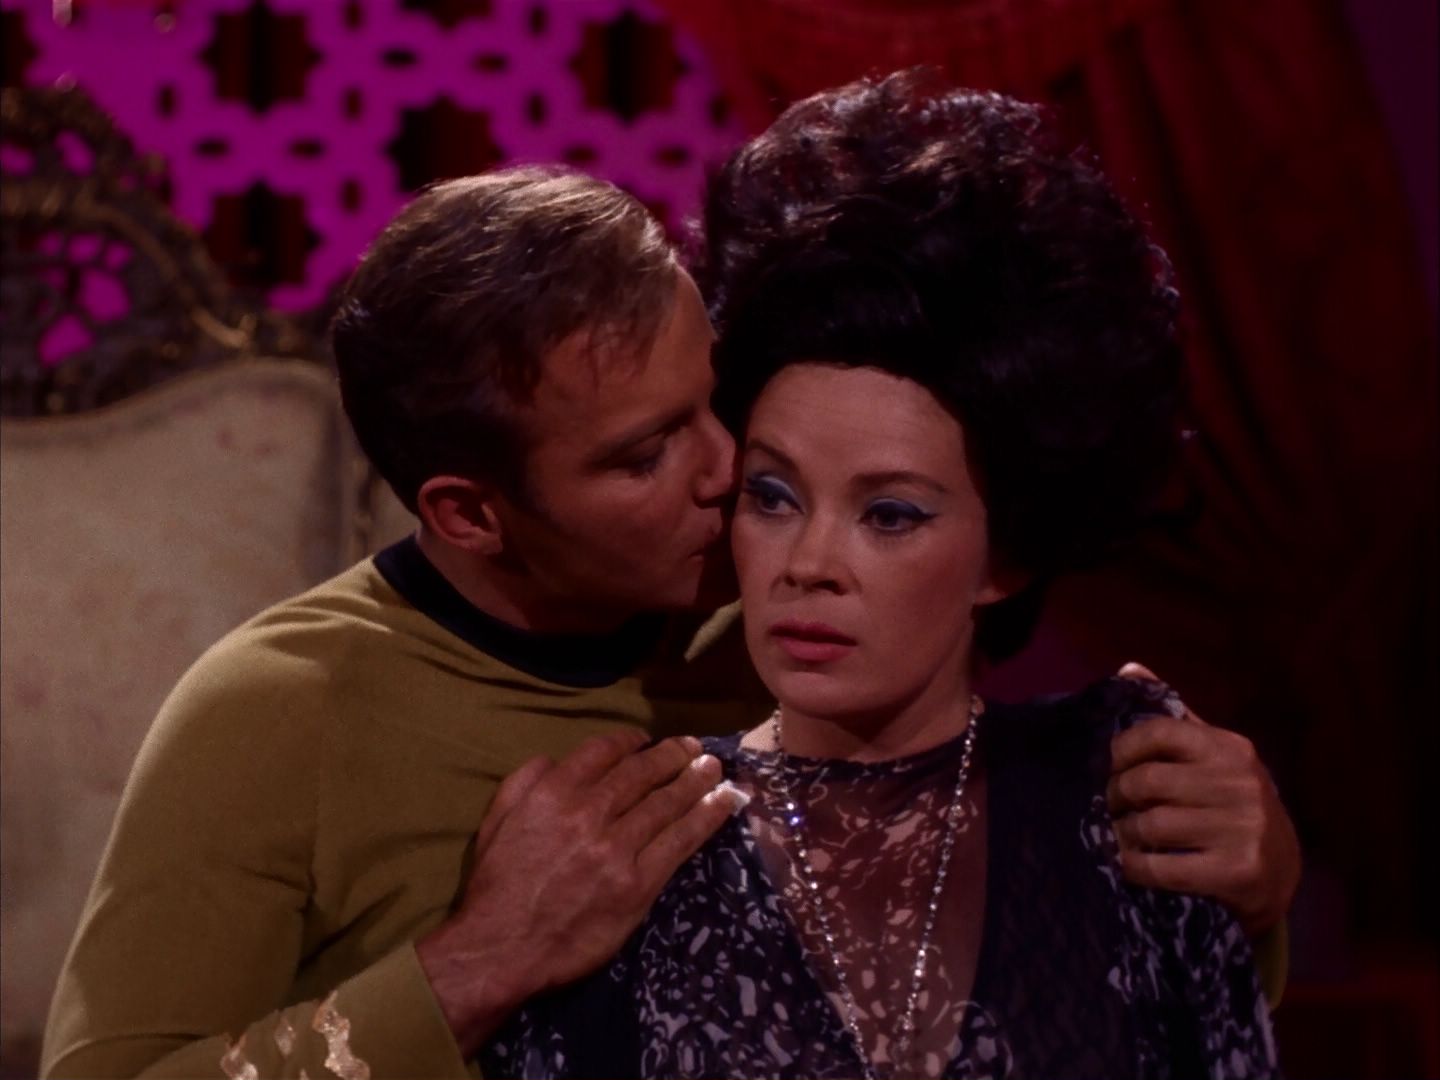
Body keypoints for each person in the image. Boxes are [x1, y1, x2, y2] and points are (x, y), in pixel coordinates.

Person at [41, 160, 1295, 1077]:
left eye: (715, 404)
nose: (724, 470)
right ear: (471, 513)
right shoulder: (283, 710)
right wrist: (477, 964)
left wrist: (1250, 891)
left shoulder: (774, 642)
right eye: (646, 454)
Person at [481, 71, 1282, 1078]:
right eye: (774, 496)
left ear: (1004, 557)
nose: (810, 566)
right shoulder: (635, 845)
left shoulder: (1123, 792)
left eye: (890, 515)